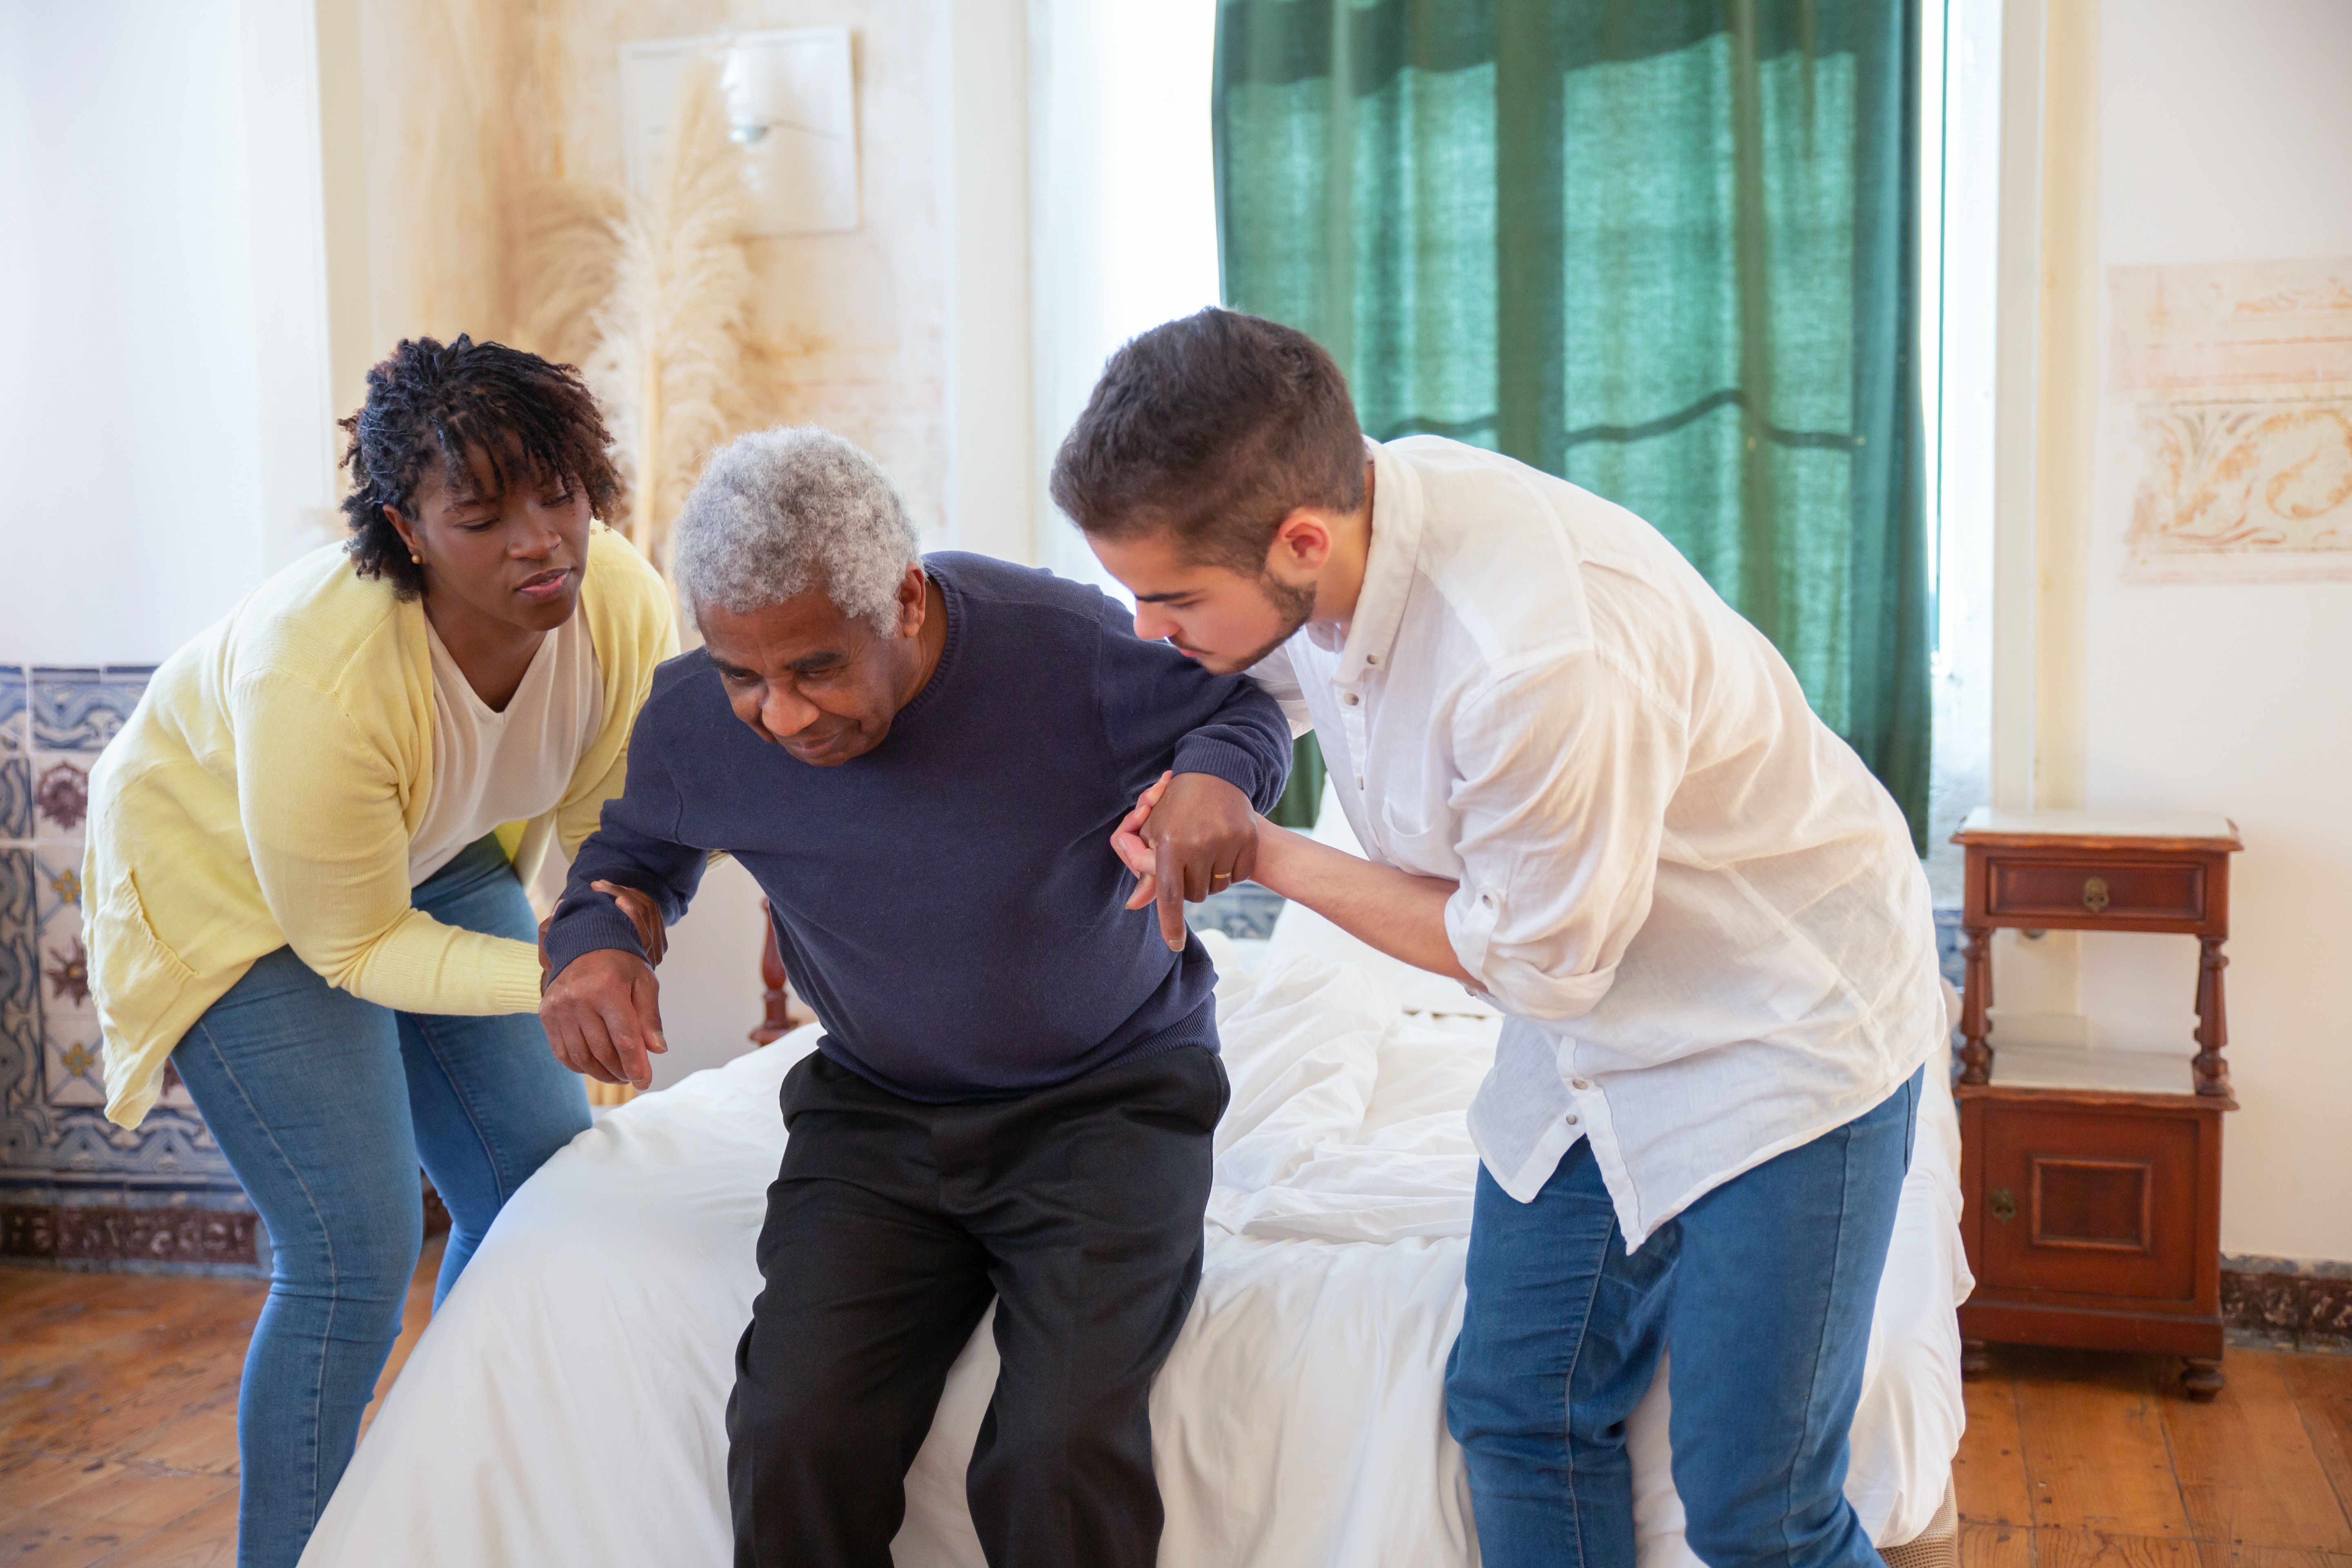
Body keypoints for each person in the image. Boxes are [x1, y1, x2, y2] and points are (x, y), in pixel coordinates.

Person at [1058, 307, 1945, 1568]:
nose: (1152, 630)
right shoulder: (1352, 519)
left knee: (1760, 1514)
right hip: (1596, 1022)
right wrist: (1211, 768)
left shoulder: (1532, 660)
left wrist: (1267, 852)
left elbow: (1534, 963)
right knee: (1518, 1411)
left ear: (1302, 538)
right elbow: (1257, 683)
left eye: (1171, 599)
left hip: (1784, 1029)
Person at [535, 426, 1291, 1568]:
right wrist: (595, 946)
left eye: (816, 669)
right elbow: (630, 861)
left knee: (1055, 1452)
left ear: (903, 598)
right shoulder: (696, 720)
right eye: (747, 675)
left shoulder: (1060, 648)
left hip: (1109, 1101)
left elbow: (1243, 713)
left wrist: (1213, 780)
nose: (780, 715)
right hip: (879, 1112)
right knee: (793, 1434)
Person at [82, 336, 678, 1568]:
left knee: (536, 1194)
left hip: (427, 837)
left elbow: (611, 835)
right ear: (407, 526)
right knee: (351, 1249)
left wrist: (610, 940)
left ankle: (424, 1517)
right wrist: (559, 976)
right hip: (229, 881)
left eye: (561, 493)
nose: (542, 541)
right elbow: (350, 945)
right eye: (485, 513)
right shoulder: (322, 670)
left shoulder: (617, 598)